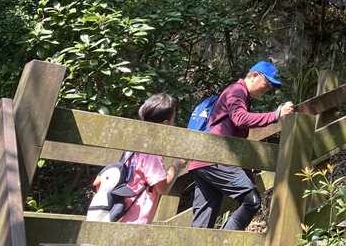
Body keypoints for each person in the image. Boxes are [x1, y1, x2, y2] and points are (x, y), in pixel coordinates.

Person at [189, 61, 294, 230]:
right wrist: (276, 115)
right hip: (215, 158)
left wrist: (247, 173)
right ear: (254, 75)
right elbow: (240, 118)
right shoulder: (237, 90)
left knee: (203, 221)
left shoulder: (241, 94)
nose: (267, 89)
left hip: (204, 161)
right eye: (267, 84)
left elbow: (236, 139)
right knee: (252, 201)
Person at [119, 93, 185, 224]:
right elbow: (162, 188)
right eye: (173, 120)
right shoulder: (151, 152)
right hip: (135, 218)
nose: (174, 124)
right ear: (166, 123)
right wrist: (176, 166)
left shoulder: (135, 145)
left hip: (121, 212)